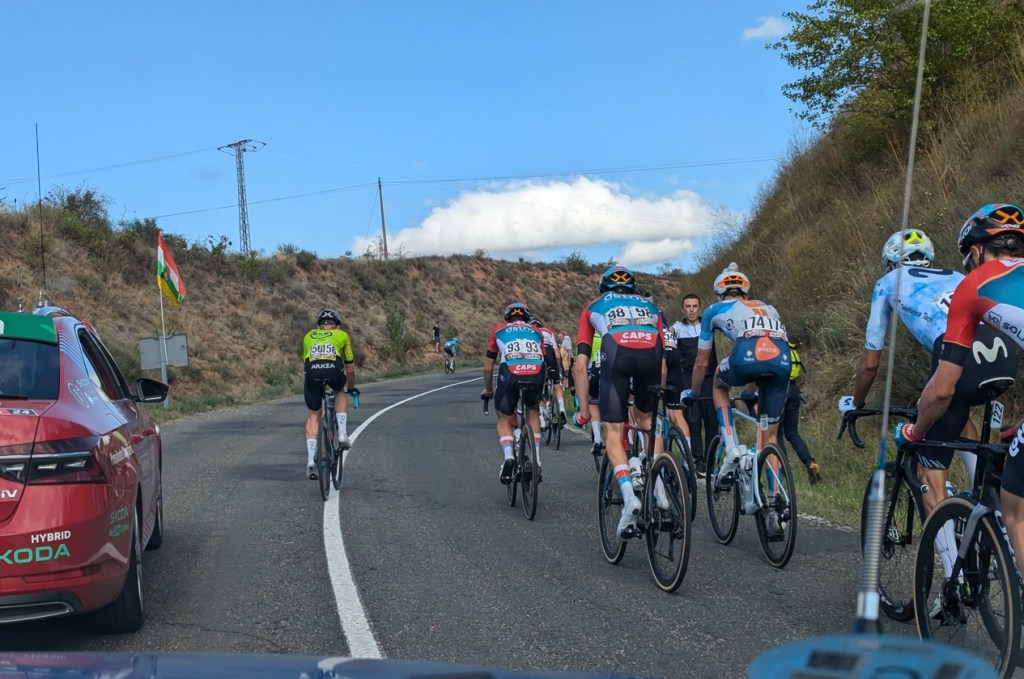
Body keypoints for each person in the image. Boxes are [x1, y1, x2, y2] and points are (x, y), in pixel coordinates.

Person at [842, 225, 1017, 521]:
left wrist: (855, 403)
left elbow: (870, 362)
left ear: (890, 263)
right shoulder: (956, 276)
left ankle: (951, 563)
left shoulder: (887, 282)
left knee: (928, 468)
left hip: (958, 354)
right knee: (955, 411)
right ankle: (987, 502)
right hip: (1004, 350)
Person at [894, 204, 1024, 572]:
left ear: (977, 251)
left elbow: (943, 389)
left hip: (957, 383)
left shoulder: (972, 286)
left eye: (968, 257)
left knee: (1017, 516)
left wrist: (914, 431)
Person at [683, 263, 791, 535]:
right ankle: (774, 503)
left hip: (747, 356)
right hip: (782, 361)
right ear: (745, 292)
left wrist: (695, 393)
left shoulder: (713, 311)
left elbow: (701, 362)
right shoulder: (769, 307)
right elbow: (769, 349)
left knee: (718, 381)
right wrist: (751, 390)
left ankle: (730, 443)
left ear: (719, 294)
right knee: (771, 439)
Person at [573, 265, 667, 536]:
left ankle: (629, 499)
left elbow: (580, 366)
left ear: (604, 287)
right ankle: (660, 491)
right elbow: (661, 363)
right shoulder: (652, 308)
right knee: (648, 422)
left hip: (617, 357)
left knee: (613, 431)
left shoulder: (593, 306)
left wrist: (583, 411)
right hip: (651, 356)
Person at [481, 303, 546, 484]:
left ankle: (509, 455)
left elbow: (488, 366)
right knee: (532, 409)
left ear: (507, 318)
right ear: (526, 317)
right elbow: (544, 359)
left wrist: (488, 389)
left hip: (510, 372)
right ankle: (537, 460)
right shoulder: (536, 331)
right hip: (536, 371)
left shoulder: (498, 330)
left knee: (504, 417)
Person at [302, 309, 357, 480]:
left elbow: (306, 364)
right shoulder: (342, 335)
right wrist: (351, 387)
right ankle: (341, 433)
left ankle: (311, 459)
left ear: (318, 326)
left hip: (312, 373)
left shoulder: (309, 335)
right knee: (339, 391)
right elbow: (350, 368)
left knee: (313, 415)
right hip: (333, 370)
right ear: (337, 326)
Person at [672, 293, 718, 473]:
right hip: (687, 378)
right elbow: (669, 333)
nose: (691, 310)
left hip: (708, 377)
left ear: (700, 308)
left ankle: (711, 460)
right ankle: (697, 460)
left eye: (694, 306)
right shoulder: (678, 327)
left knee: (712, 421)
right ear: (683, 309)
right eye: (688, 306)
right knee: (694, 419)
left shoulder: (708, 326)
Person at [778, 339, 820, 484]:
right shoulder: (787, 346)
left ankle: (783, 474)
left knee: (777, 435)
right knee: (792, 432)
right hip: (794, 390)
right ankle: (810, 462)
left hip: (780, 390)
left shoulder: (772, 347)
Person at [529, 314, 567, 426]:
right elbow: (557, 353)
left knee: (538, 388)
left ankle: (541, 419)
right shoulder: (548, 331)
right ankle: (561, 408)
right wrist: (559, 369)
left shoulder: (531, 332)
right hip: (550, 353)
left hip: (539, 355)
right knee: (556, 385)